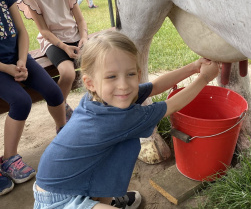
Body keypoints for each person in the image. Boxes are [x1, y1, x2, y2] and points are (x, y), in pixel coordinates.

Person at [32, 30, 219, 208]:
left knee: (117, 149)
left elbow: (153, 86)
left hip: (70, 182)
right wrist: (204, 78)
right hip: (58, 200)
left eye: (130, 74)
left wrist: (194, 67)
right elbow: (173, 106)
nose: (123, 85)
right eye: (111, 76)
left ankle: (103, 200)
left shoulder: (97, 99)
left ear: (138, 74)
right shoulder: (118, 119)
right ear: (90, 83)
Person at [0, 0, 66, 195]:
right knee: (21, 101)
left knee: (54, 92)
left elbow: (21, 31)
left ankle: (64, 133)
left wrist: (21, 61)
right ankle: (9, 159)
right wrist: (7, 69)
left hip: (18, 58)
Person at [17, 0, 89, 122]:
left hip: (75, 36)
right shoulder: (32, 0)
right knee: (68, 73)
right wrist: (64, 47)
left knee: (97, 63)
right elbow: (44, 31)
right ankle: (61, 110)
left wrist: (84, 37)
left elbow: (81, 20)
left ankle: (96, 105)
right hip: (53, 42)